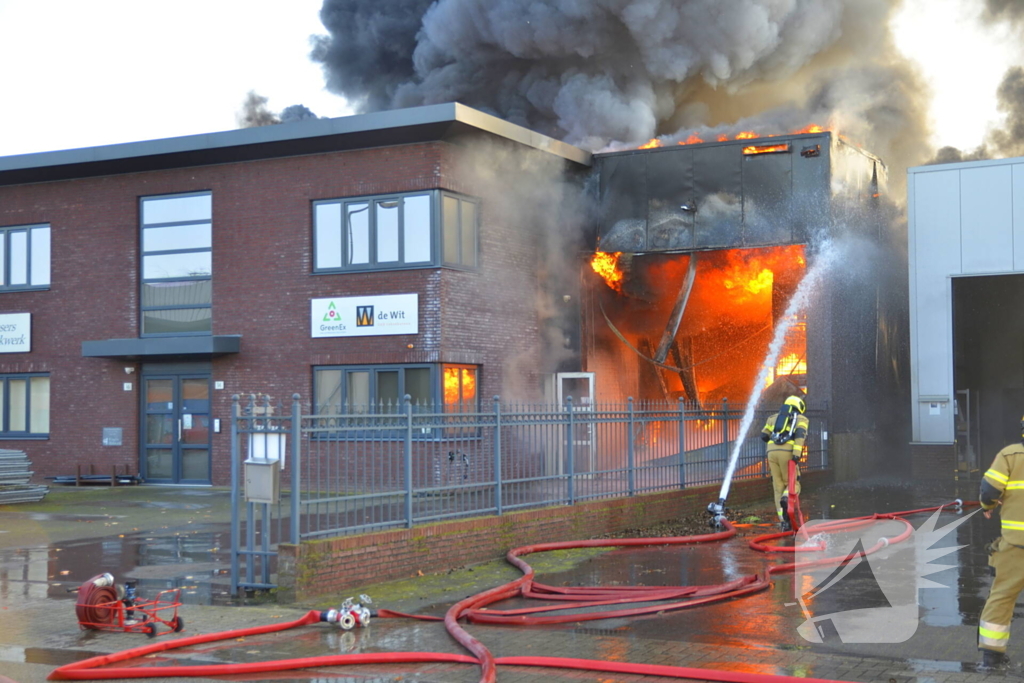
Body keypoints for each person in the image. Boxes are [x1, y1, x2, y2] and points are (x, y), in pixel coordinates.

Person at [977, 415, 1024, 671]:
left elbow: (989, 490)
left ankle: (991, 659)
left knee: (1001, 598)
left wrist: (988, 506)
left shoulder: (1009, 455)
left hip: (1016, 547)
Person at [760, 395, 807, 531]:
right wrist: (796, 455)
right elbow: (800, 437)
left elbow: (764, 435)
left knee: (778, 485)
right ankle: (787, 498)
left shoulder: (772, 418)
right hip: (787, 453)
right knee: (793, 482)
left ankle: (783, 521)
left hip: (771, 452)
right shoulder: (801, 419)